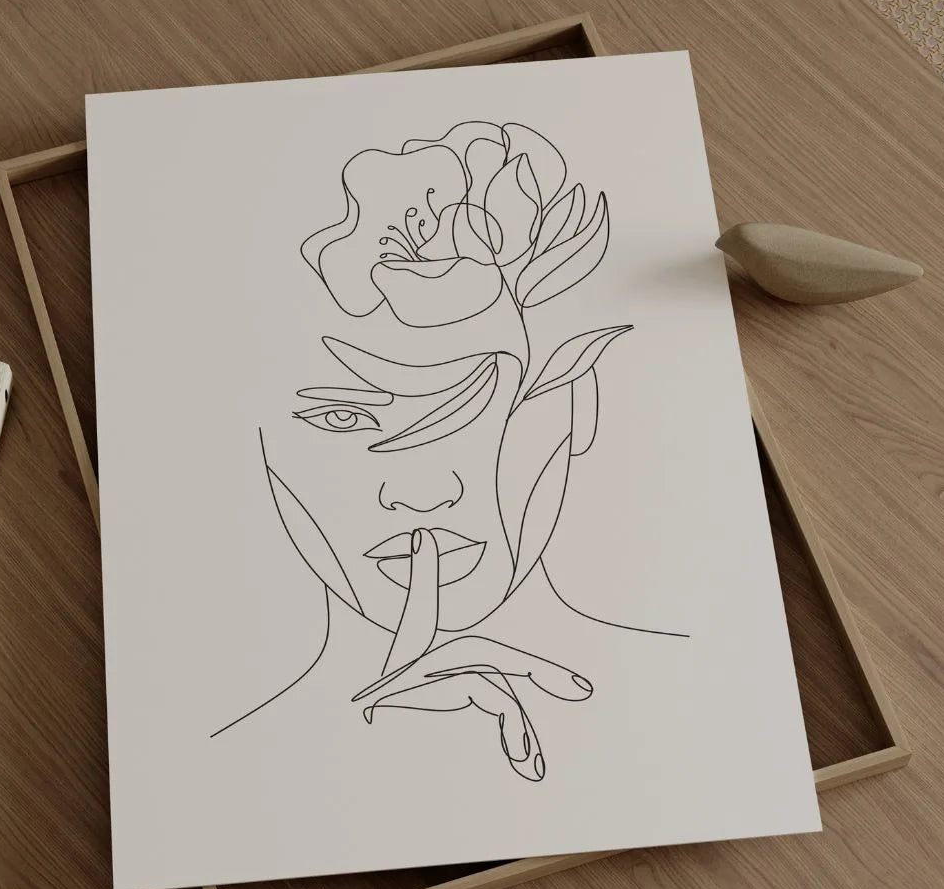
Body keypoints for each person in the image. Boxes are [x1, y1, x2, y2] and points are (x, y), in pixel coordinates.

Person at [215, 121, 687, 781]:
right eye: (343, 415)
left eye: (484, 404)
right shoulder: (222, 769)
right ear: (258, 444)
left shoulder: (703, 704)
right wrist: (357, 715)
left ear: (579, 403)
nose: (421, 491)